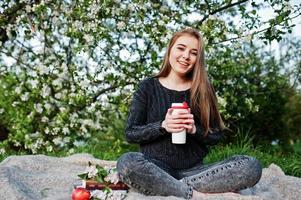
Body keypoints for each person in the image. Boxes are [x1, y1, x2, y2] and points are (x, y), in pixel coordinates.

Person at [116, 28, 262, 199]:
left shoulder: (203, 90)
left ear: (198, 60)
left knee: (251, 166)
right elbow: (131, 133)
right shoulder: (148, 87)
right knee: (127, 163)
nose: (186, 56)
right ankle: (195, 195)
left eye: (193, 53)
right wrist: (162, 126)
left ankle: (171, 188)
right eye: (181, 48)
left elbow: (217, 136)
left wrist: (194, 130)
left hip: (196, 172)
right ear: (170, 49)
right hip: (155, 167)